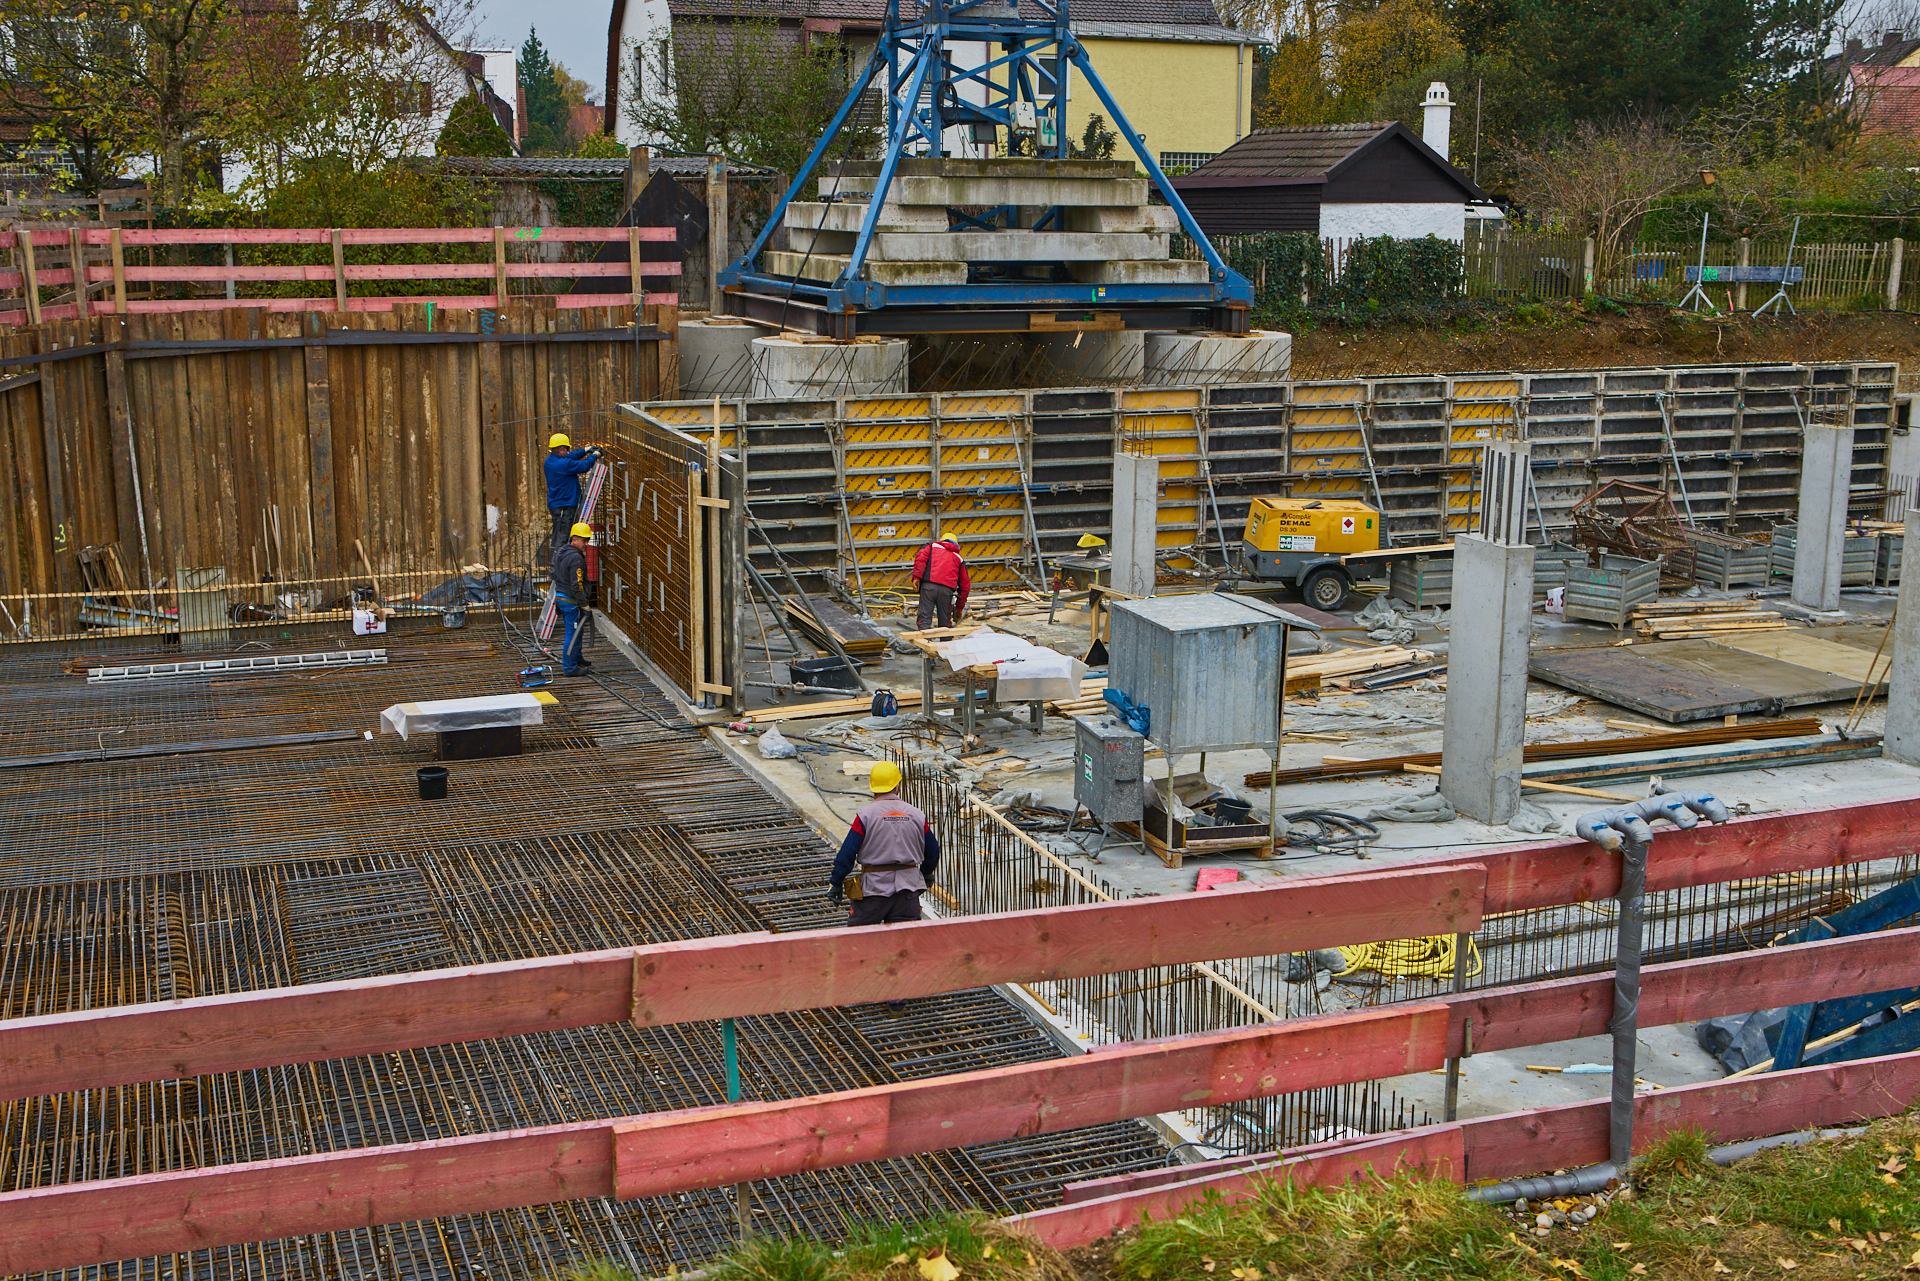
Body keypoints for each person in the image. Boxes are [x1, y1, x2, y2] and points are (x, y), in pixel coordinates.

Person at [828, 761, 940, 926]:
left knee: (859, 939)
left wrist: (836, 882)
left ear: (873, 788)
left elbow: (847, 854)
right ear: (898, 787)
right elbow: (933, 851)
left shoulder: (865, 816)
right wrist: (926, 873)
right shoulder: (917, 815)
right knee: (905, 941)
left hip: (873, 891)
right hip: (907, 893)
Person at [550, 522, 595, 676]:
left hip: (562, 598)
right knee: (572, 633)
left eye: (587, 540)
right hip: (570, 602)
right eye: (584, 540)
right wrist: (584, 605)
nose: (586, 544)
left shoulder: (563, 552)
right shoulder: (576, 558)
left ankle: (577, 659)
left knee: (577, 631)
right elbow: (577, 585)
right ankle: (570, 668)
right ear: (574, 539)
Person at [544, 433, 602, 553]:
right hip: (565, 508)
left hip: (558, 506)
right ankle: (559, 562)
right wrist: (595, 455)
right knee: (563, 538)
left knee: (558, 536)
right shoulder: (563, 464)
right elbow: (584, 466)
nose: (568, 451)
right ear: (561, 450)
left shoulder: (550, 461)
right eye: (566, 449)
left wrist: (585, 450)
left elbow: (570, 456)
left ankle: (557, 561)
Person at [910, 536, 970, 629]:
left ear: (942, 541)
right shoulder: (959, 558)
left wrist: (917, 578)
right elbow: (965, 586)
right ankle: (945, 637)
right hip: (946, 591)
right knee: (945, 624)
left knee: (924, 621)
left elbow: (920, 559)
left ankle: (925, 636)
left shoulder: (931, 547)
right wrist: (959, 608)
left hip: (928, 588)